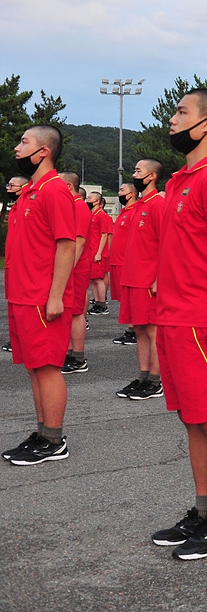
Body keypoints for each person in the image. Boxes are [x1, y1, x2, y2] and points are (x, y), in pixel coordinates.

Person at [149, 88, 207, 560]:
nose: (172, 119)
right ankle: (203, 510)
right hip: (172, 317)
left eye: (182, 112)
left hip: (204, 322)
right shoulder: (178, 181)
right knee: (192, 419)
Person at [3, 125, 76, 465]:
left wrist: (56, 295)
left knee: (47, 367)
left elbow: (66, 244)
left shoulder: (54, 190)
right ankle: (43, 431)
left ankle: (54, 440)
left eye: (24, 142)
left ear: (43, 151)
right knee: (34, 368)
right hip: (21, 294)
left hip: (41, 296)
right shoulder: (30, 191)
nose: (17, 148)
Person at [117, 159, 166, 400]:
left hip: (148, 280)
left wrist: (159, 278)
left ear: (152, 177)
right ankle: (143, 376)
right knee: (139, 329)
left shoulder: (158, 204)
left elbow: (168, 244)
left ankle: (156, 381)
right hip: (133, 278)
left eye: (138, 171)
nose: (134, 174)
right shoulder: (138, 206)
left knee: (152, 329)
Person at [59, 174, 91, 375]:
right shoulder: (71, 205)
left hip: (76, 268)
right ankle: (70, 353)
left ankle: (78, 357)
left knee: (77, 312)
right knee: (69, 312)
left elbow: (78, 241)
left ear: (69, 185)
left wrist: (67, 268)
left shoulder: (79, 207)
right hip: (71, 267)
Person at [3, 176, 30, 353]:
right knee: (13, 304)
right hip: (11, 263)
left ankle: (24, 340)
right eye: (8, 185)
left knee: (22, 305)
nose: (8, 189)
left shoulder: (27, 206)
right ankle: (17, 339)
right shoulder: (15, 207)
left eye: (12, 186)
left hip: (23, 265)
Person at [110, 183, 139, 345]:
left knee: (130, 299)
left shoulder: (135, 211)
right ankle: (131, 328)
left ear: (131, 194)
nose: (119, 192)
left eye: (122, 190)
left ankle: (133, 330)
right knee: (123, 299)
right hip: (117, 261)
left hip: (126, 262)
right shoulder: (124, 212)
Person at [86, 193, 113, 315]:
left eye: (90, 199)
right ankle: (97, 302)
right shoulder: (92, 215)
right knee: (93, 279)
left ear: (97, 202)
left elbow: (104, 235)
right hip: (91, 251)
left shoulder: (101, 216)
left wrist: (99, 253)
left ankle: (102, 304)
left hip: (97, 252)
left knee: (98, 279)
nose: (88, 200)